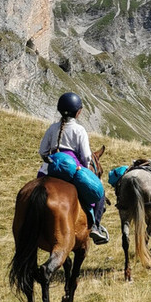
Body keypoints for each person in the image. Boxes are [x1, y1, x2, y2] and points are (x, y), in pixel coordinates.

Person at [38, 91, 109, 244]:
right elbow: (86, 157)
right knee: (100, 192)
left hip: (48, 169)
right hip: (72, 170)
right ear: (78, 112)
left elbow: (42, 151)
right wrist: (82, 169)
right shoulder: (79, 130)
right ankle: (96, 226)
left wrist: (52, 161)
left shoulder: (52, 128)